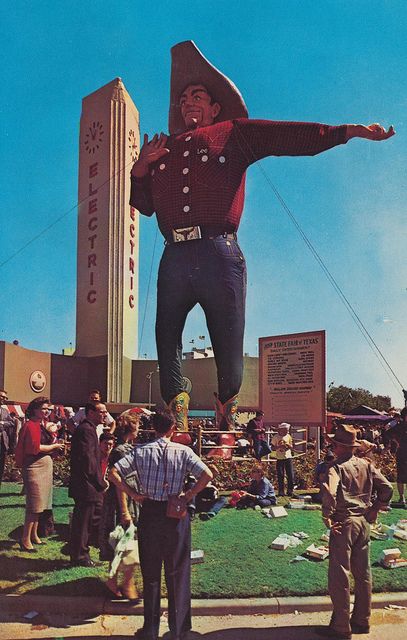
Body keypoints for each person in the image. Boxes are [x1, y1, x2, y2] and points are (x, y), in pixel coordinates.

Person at [129, 40, 395, 432]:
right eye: (183, 97)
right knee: (166, 334)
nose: (188, 103)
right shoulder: (161, 151)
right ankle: (177, 412)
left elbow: (289, 137)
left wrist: (347, 132)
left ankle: (227, 408)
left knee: (227, 338)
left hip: (219, 250)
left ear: (216, 106)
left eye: (197, 96)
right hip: (175, 255)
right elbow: (145, 206)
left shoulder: (233, 132)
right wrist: (140, 168)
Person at [109, 411, 212, 640]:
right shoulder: (183, 451)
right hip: (176, 512)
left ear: (153, 428)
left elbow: (113, 473)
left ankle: (150, 629)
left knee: (151, 572)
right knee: (178, 571)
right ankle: (179, 630)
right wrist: (187, 495)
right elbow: (207, 475)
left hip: (151, 512)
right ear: (173, 428)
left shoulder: (140, 451)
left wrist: (133, 494)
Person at [317, 424, 393, 639]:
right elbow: (387, 488)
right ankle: (362, 620)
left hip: (344, 522)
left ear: (337, 445)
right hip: (363, 522)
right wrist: (375, 508)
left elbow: (330, 492)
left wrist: (327, 516)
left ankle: (341, 627)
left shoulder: (335, 468)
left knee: (339, 575)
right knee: (363, 573)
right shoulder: (366, 465)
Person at [14, 397, 64, 551]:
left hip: (44, 467)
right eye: (43, 408)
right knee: (34, 506)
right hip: (35, 467)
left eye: (48, 409)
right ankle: (25, 539)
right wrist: (55, 446)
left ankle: (34, 535)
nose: (46, 411)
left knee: (40, 505)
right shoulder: (31, 425)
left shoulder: (40, 425)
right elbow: (34, 448)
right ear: (34, 409)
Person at [69, 401, 108, 566]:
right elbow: (88, 460)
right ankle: (80, 556)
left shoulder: (89, 430)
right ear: (90, 412)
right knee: (83, 522)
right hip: (86, 486)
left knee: (84, 521)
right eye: (101, 412)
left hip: (86, 484)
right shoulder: (86, 430)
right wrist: (99, 482)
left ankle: (79, 553)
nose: (104, 414)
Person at [382, 406, 407, 506]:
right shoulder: (399, 426)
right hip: (402, 453)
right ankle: (402, 498)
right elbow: (387, 434)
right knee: (401, 476)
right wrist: (389, 445)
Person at [271, 422, 295, 496]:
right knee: (280, 475)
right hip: (279, 458)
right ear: (281, 429)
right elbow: (272, 448)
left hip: (288, 457)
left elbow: (292, 447)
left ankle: (290, 491)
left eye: (287, 430)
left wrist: (288, 446)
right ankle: (281, 491)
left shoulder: (288, 436)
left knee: (290, 475)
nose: (287, 431)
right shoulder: (275, 437)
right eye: (286, 430)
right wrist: (279, 447)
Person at [0, 389, 13, 488]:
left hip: (2, 442)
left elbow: (11, 423)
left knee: (1, 465)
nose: (4, 399)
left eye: (5, 397)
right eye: (2, 396)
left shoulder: (5, 411)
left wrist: (3, 423)